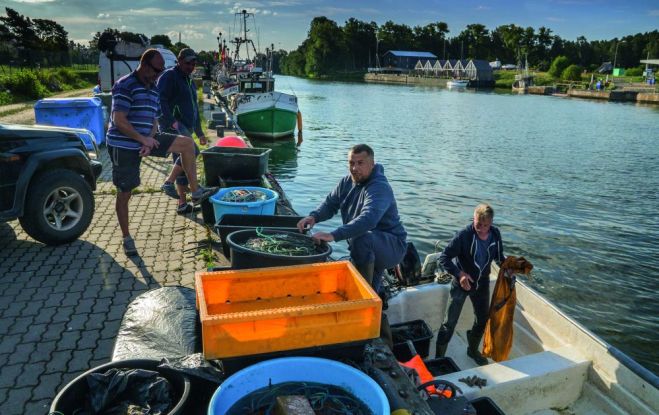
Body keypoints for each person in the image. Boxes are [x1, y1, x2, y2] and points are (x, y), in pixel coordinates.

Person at [106, 48, 216, 256]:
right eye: (156, 71)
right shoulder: (125, 85)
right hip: (124, 144)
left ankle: (196, 192)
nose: (158, 75)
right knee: (125, 193)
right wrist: (142, 139)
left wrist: (150, 139)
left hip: (146, 137)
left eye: (160, 72)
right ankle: (126, 237)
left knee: (187, 145)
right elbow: (119, 120)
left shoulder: (153, 87)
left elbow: (155, 118)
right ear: (144, 65)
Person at [296, 144, 407, 293]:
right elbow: (330, 204)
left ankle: (363, 296)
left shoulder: (380, 187)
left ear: (372, 164)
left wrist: (333, 235)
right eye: (351, 163)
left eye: (360, 163)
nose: (354, 168)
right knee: (372, 282)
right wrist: (313, 217)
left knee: (361, 239)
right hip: (368, 244)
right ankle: (375, 300)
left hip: (392, 246)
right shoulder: (346, 182)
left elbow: (369, 219)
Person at [435, 203, 506, 365]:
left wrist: (508, 268)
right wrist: (459, 275)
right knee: (449, 323)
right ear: (473, 219)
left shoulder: (495, 234)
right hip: (461, 284)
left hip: (482, 284)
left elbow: (499, 257)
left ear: (491, 223)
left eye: (485, 225)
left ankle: (472, 350)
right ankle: (438, 359)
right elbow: (444, 257)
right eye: (478, 224)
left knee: (482, 319)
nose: (481, 229)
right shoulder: (463, 236)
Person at [157, 48, 208, 215]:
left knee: (184, 162)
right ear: (179, 61)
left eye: (193, 63)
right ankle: (170, 183)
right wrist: (171, 121)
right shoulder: (169, 76)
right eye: (188, 63)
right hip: (173, 124)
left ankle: (182, 204)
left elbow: (194, 108)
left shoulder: (189, 80)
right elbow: (160, 99)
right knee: (192, 151)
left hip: (186, 125)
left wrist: (200, 132)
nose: (191, 66)